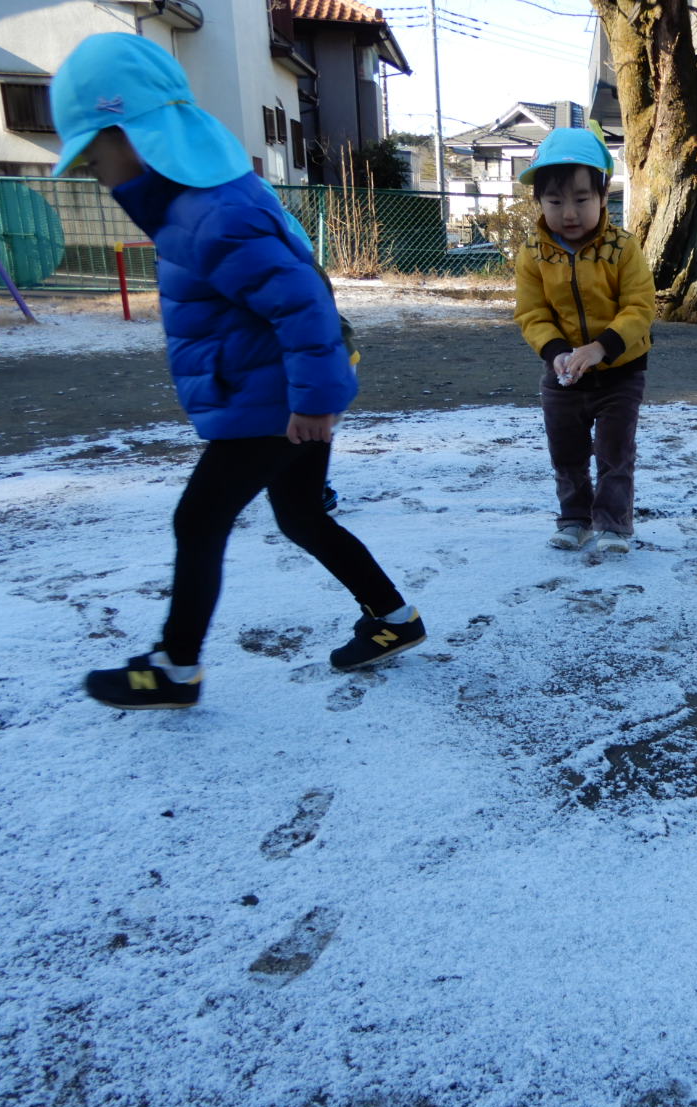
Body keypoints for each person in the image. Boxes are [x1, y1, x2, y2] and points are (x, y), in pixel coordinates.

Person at [50, 34, 426, 710]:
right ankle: (394, 620)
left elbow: (304, 303)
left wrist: (313, 402)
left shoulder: (208, 215)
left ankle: (176, 665)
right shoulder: (206, 201)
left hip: (272, 406)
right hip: (279, 397)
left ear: (132, 137)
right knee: (304, 517)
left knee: (198, 522)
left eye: (94, 158)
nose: (97, 177)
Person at [513, 128, 655, 554]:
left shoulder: (623, 248)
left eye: (581, 199)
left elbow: (640, 307)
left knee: (614, 451)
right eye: (555, 202)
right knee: (567, 452)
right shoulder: (533, 253)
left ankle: (612, 525)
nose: (569, 213)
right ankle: (575, 520)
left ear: (602, 194)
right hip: (563, 373)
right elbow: (532, 313)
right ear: (539, 202)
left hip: (619, 371)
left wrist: (600, 348)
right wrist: (557, 353)